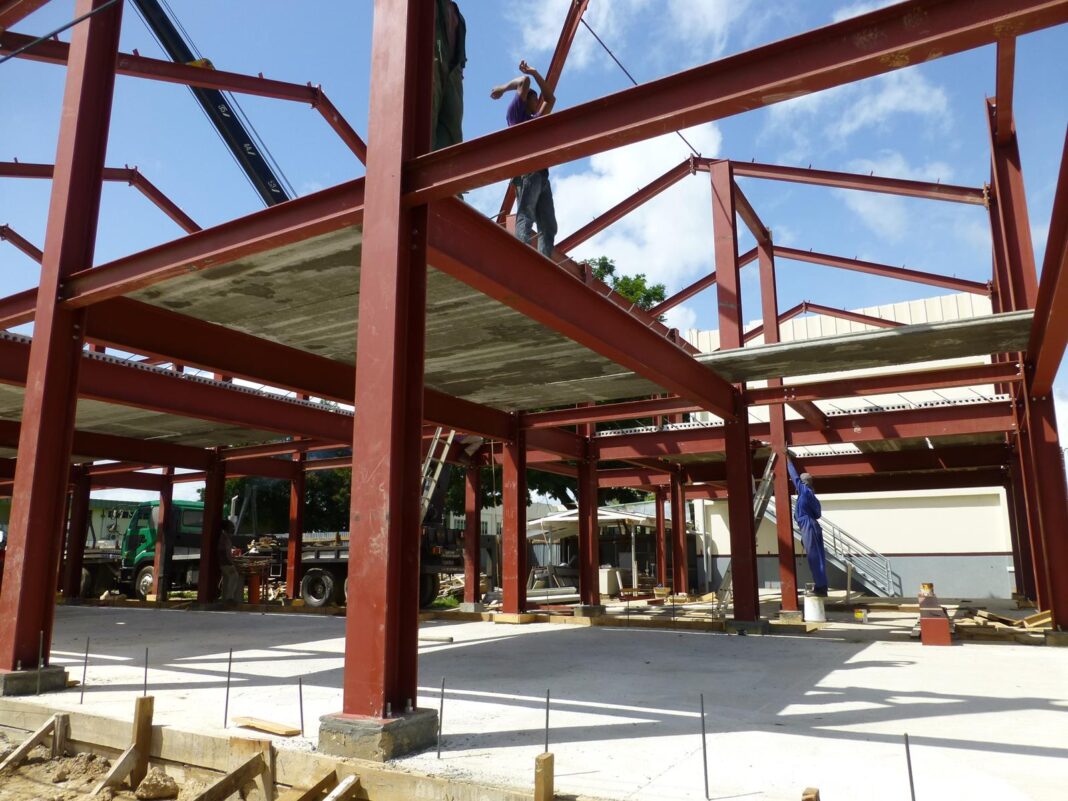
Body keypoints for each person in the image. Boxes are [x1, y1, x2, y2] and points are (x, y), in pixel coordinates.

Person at [491, 60, 557, 258]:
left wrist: (536, 73)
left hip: (542, 175)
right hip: (527, 172)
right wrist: (502, 89)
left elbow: (550, 99)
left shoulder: (536, 119)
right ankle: (523, 256)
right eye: (534, 99)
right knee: (526, 214)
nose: (537, 103)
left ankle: (544, 262)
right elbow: (523, 82)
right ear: (525, 100)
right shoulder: (516, 116)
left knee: (549, 226)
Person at [787, 459, 828, 597]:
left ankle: (820, 587)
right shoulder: (813, 496)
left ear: (804, 482)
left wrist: (787, 460)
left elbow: (794, 476)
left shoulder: (804, 491)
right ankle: (822, 585)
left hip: (808, 525)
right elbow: (818, 514)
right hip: (813, 525)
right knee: (819, 556)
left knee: (814, 557)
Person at [431, 0, 466, 151]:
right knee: (429, 116)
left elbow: (461, 48)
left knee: (453, 125)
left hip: (454, 71)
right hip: (436, 59)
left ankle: (448, 161)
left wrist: (460, 69)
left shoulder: (459, 16)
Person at [218, 519, 243, 604]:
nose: (233, 529)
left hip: (223, 562)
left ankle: (225, 598)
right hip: (226, 563)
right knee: (234, 576)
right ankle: (229, 598)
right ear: (227, 528)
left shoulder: (223, 537)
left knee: (227, 578)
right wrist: (232, 562)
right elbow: (225, 552)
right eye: (231, 527)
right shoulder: (225, 538)